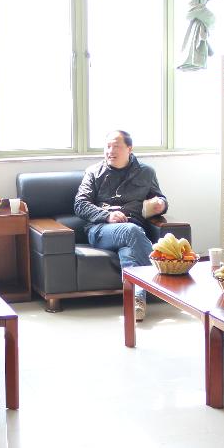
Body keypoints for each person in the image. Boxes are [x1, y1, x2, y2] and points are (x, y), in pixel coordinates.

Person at [74, 130, 168, 321]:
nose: (110, 151)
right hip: (101, 229)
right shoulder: (93, 172)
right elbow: (80, 205)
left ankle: (136, 302)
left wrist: (161, 204)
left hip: (134, 229)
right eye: (108, 146)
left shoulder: (146, 172)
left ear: (129, 149)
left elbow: (160, 198)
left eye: (116, 146)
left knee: (129, 253)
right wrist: (107, 215)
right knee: (132, 231)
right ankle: (165, 279)